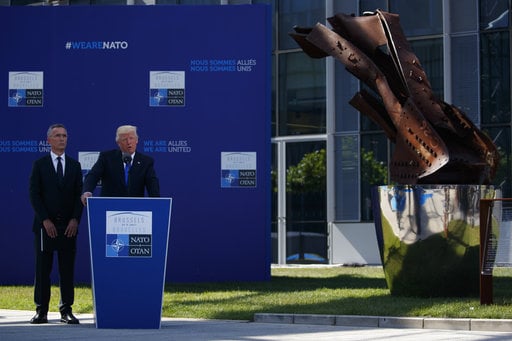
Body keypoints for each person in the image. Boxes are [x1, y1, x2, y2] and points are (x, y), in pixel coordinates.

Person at [29, 123, 83, 324]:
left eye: (65, 135)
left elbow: (80, 195)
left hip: (68, 227)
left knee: (66, 269)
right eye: (58, 135)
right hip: (45, 226)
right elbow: (34, 194)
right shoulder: (40, 165)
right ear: (49, 140)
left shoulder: (75, 166)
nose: (62, 139)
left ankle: (66, 310)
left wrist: (75, 220)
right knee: (43, 269)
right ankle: (41, 310)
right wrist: (45, 220)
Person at [81, 124, 160, 205]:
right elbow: (93, 175)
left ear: (137, 140)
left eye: (131, 138)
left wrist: (156, 202)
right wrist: (87, 191)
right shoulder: (107, 158)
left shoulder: (146, 162)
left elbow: (152, 184)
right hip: (109, 207)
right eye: (125, 139)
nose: (129, 142)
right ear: (118, 143)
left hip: (135, 208)